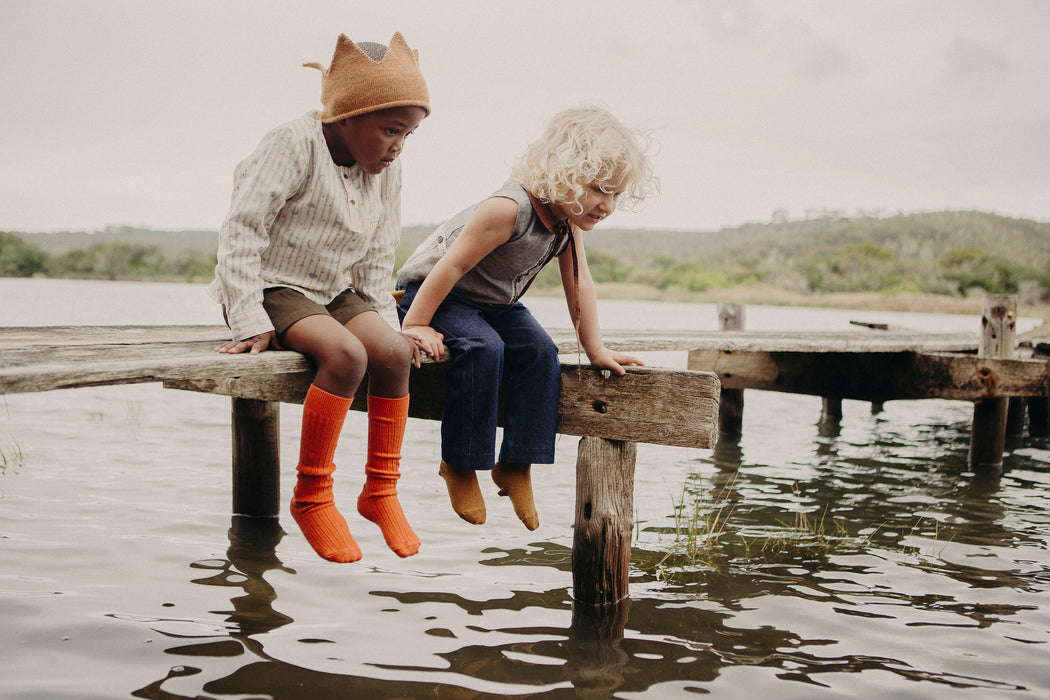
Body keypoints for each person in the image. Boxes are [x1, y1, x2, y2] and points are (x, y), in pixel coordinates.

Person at [206, 32, 432, 563]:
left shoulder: (387, 170)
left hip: (335, 289)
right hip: (273, 284)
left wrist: (387, 322)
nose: (398, 145)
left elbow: (379, 254)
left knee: (394, 353)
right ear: (346, 115)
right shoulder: (293, 144)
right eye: (390, 129)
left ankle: (380, 492)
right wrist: (247, 316)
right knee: (346, 355)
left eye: (409, 133)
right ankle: (312, 494)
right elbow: (242, 228)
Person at [396, 105, 658, 531]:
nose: (607, 205)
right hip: (435, 296)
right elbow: (450, 267)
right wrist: (416, 325)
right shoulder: (508, 208)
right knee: (485, 348)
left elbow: (580, 285)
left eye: (615, 195)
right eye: (598, 189)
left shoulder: (566, 225)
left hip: (493, 304)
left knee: (541, 352)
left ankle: (516, 463)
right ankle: (460, 463)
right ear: (562, 172)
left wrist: (595, 348)